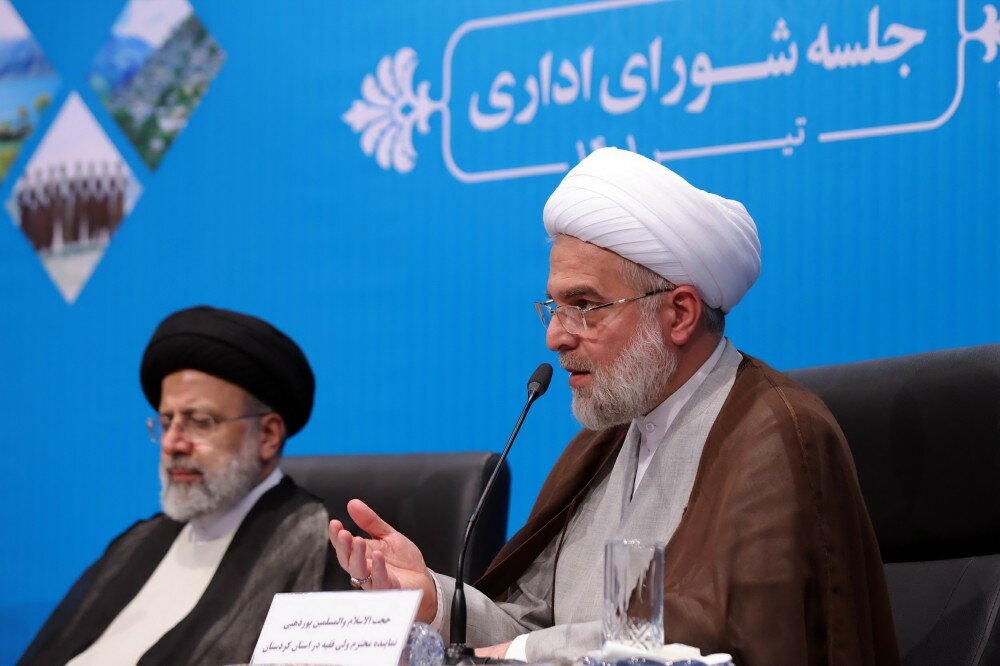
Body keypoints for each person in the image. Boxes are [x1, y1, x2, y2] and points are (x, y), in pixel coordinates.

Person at [329, 148, 899, 665]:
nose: (555, 336)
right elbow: (530, 628)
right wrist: (432, 599)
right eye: (553, 307)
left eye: (584, 305)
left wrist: (523, 651)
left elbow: (725, 634)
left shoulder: (776, 435)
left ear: (679, 314)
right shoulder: (600, 447)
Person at [21, 305, 341, 665]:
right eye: (166, 422)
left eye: (200, 421)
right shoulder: (138, 542)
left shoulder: (314, 544)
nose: (172, 443)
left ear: (267, 435)